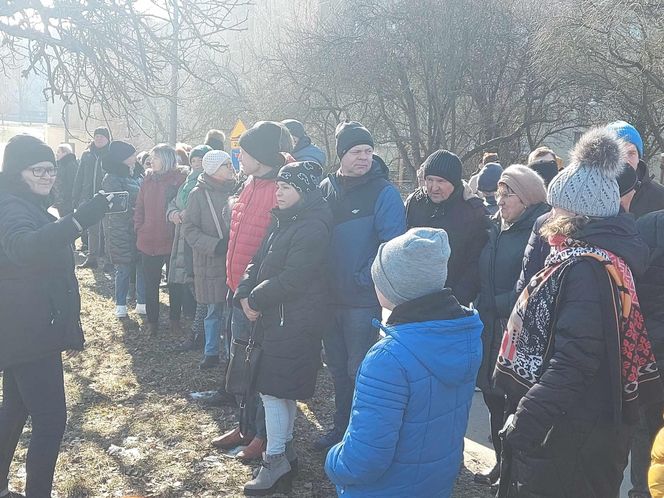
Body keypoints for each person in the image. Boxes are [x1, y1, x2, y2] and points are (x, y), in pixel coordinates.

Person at [494, 128, 663, 497]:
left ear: (575, 213)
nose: (550, 214)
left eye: (557, 206)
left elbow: (576, 359)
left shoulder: (586, 267)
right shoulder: (593, 258)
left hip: (574, 431)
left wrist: (527, 419)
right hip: (582, 427)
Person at [324, 227, 483, 497]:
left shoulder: (388, 358)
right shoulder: (463, 335)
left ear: (395, 287)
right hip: (433, 484)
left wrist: (334, 460)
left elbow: (364, 459)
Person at [0, 134, 111, 498]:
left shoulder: (24, 202)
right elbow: (25, 248)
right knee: (50, 420)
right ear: (18, 172)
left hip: (24, 325)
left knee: (16, 408)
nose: (48, 176)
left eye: (51, 169)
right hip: (29, 329)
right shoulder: (12, 207)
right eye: (39, 170)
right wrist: (78, 221)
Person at [238, 161, 332, 495]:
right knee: (280, 388)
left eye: (286, 188)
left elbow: (294, 278)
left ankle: (275, 458)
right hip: (276, 318)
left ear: (304, 192)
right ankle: (285, 453)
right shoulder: (285, 219)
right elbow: (257, 258)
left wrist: (255, 300)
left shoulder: (313, 226)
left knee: (274, 390)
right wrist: (244, 290)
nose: (278, 192)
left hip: (293, 320)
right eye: (278, 186)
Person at [314, 121, 406, 450]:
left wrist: (361, 276)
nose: (364, 157)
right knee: (337, 369)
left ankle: (362, 436)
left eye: (368, 151)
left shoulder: (384, 192)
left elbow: (391, 244)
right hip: (327, 298)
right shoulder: (325, 188)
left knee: (360, 371)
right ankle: (340, 428)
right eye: (356, 151)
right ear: (341, 155)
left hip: (361, 300)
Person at [212, 121, 287, 459]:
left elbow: (274, 247)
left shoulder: (279, 188)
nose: (238, 156)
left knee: (259, 365)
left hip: (258, 295)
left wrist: (253, 291)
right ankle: (245, 425)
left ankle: (263, 434)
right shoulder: (250, 183)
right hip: (237, 287)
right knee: (240, 361)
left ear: (261, 154)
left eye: (244, 151)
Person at [473, 165, 549, 488]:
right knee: (493, 398)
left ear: (528, 198)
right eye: (499, 193)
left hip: (515, 326)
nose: (500, 200)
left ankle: (512, 473)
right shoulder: (495, 226)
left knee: (513, 404)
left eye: (508, 194)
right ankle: (499, 465)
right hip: (490, 324)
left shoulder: (538, 231)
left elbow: (534, 282)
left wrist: (499, 303)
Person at [405, 149, 488, 306]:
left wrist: (457, 298)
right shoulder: (415, 203)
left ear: (454, 182)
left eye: (441, 181)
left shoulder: (473, 212)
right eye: (429, 180)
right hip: (413, 297)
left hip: (452, 300)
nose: (434, 187)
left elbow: (475, 263)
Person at [183, 150, 236, 370]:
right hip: (211, 260)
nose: (231, 167)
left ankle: (231, 352)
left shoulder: (239, 189)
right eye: (226, 165)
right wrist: (214, 245)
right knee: (214, 309)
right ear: (214, 169)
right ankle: (211, 351)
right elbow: (189, 229)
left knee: (232, 311)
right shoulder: (198, 194)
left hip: (234, 258)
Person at [134, 144, 187, 336]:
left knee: (175, 283)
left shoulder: (179, 180)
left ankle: (175, 320)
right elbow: (139, 206)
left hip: (171, 239)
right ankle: (152, 321)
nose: (150, 161)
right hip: (148, 239)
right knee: (151, 283)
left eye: (154, 157)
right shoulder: (147, 180)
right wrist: (139, 228)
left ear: (165, 158)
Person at [165, 148, 209, 340]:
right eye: (194, 160)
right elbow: (174, 203)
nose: (197, 163)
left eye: (201, 160)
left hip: (195, 235)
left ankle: (198, 325)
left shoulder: (208, 183)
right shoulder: (185, 183)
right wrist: (173, 213)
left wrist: (186, 215)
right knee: (182, 276)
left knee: (195, 278)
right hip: (179, 234)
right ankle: (190, 318)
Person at [101, 141, 146, 319]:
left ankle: (142, 302)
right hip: (121, 228)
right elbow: (116, 205)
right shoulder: (111, 178)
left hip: (139, 227)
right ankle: (121, 304)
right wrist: (137, 210)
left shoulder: (138, 175)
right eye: (131, 155)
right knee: (124, 268)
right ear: (122, 158)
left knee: (141, 265)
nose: (135, 158)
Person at [608, 121, 664, 218]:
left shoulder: (660, 196)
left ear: (639, 157)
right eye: (617, 152)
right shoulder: (590, 191)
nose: (625, 160)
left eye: (631, 153)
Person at [73, 127, 111, 269]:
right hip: (89, 197)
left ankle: (108, 259)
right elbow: (79, 176)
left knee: (107, 230)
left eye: (102, 136)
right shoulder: (87, 155)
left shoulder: (111, 155)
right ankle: (92, 258)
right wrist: (77, 197)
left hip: (106, 197)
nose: (99, 139)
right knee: (92, 229)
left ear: (107, 139)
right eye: (97, 136)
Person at [52, 143, 78, 217]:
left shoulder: (70, 165)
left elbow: (71, 183)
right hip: (61, 199)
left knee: (66, 219)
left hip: (66, 200)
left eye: (58, 152)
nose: (56, 154)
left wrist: (64, 197)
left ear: (65, 153)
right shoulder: (61, 164)